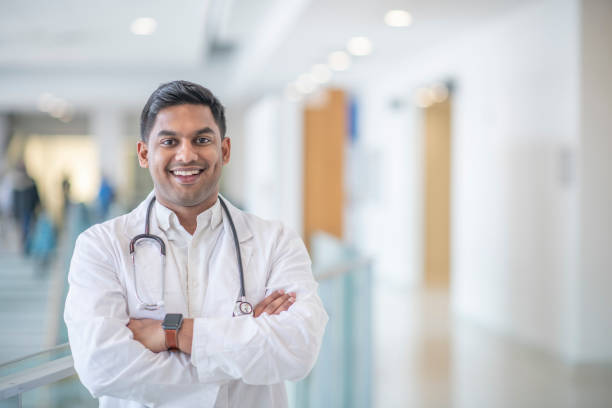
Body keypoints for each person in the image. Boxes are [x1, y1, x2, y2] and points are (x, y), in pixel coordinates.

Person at [64, 80, 328, 408]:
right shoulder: (101, 246)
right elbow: (101, 366)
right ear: (145, 154)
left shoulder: (275, 241)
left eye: (202, 139)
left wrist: (171, 334)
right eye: (170, 141)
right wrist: (242, 349)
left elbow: (298, 351)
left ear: (225, 150)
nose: (186, 154)